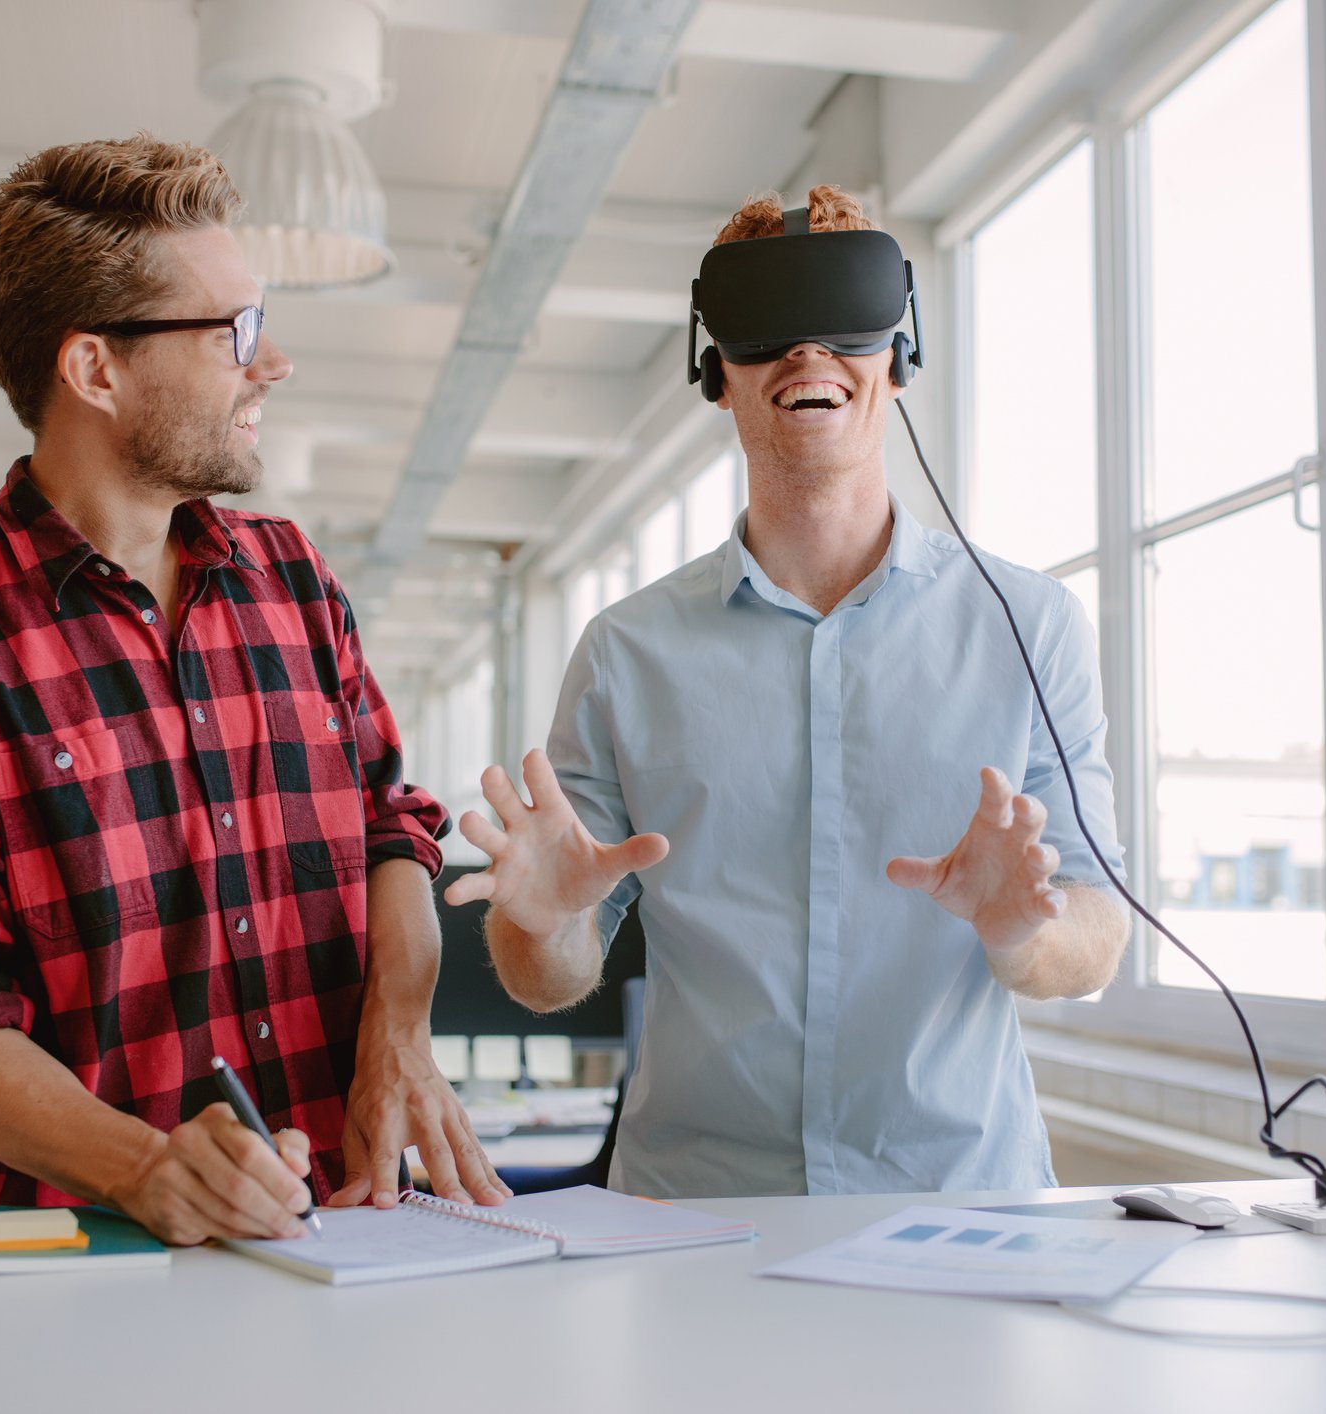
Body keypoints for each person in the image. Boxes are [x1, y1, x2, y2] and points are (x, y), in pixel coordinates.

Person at [0, 135, 508, 1244]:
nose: (274, 365)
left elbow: (390, 829)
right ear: (95, 370)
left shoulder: (293, 581)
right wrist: (146, 1167)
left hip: (343, 1235)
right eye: (236, 335)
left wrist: (398, 1027)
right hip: (76, 1262)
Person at [448, 186, 1131, 1197]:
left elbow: (1097, 933)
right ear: (714, 371)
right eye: (767, 327)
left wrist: (1021, 934)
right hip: (694, 1210)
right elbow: (548, 978)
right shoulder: (625, 651)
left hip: (955, 1200)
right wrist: (541, 925)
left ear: (898, 356)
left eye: (844, 320)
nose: (808, 353)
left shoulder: (1029, 626)